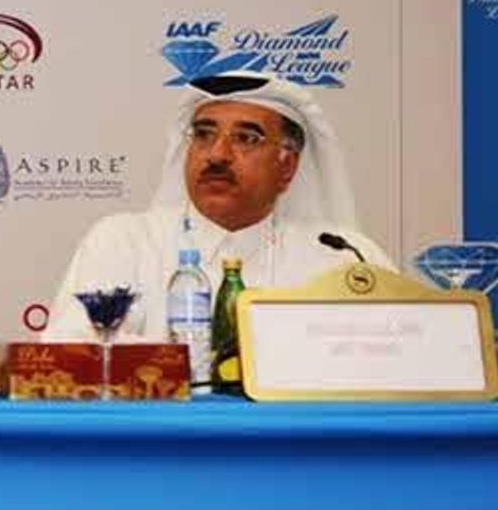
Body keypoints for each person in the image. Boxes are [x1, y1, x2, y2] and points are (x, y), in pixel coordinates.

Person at [43, 71, 391, 340]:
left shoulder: (340, 257)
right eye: (204, 134)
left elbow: (396, 355)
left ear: (287, 166)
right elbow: (72, 346)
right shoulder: (126, 241)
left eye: (246, 138)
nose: (217, 154)